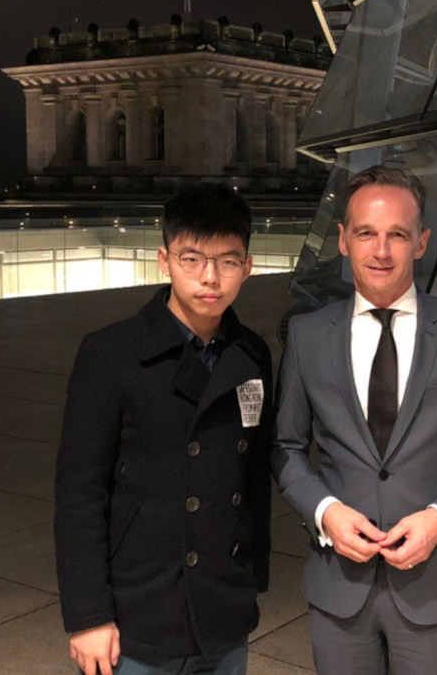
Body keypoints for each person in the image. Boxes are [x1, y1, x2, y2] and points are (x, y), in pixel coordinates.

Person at [272, 166, 437, 675]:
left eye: (397, 234)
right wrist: (324, 510)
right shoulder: (308, 337)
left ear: (421, 242)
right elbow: (284, 447)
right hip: (338, 589)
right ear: (344, 240)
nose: (381, 251)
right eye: (366, 233)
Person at [55, 185, 274, 675]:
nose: (210, 278)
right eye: (192, 259)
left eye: (228, 262)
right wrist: (88, 615)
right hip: (139, 608)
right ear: (164, 260)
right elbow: (79, 494)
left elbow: (253, 479)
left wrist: (249, 579)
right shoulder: (110, 353)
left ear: (249, 266)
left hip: (223, 609)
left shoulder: (252, 354)